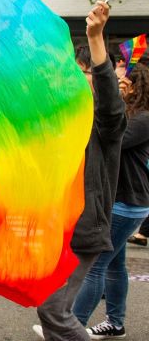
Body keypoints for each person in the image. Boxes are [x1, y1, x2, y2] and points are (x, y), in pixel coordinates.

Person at [33, 1, 127, 341]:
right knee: (49, 308)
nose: (71, 79)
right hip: (57, 226)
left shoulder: (104, 124)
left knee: (53, 311)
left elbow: (109, 101)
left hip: (85, 228)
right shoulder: (64, 118)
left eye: (79, 72)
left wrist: (95, 37)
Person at [71, 62, 149, 339]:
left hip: (125, 203)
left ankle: (71, 326)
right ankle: (115, 323)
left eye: (121, 83)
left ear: (135, 87)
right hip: (124, 201)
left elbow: (107, 139)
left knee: (94, 266)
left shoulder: (141, 119)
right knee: (115, 265)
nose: (115, 87)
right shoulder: (131, 114)